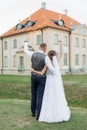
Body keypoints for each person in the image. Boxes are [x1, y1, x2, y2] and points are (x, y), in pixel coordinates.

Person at [30, 50, 71, 123]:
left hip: (49, 82)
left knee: (48, 98)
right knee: (56, 98)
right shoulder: (56, 62)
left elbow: (42, 73)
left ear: (48, 56)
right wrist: (61, 46)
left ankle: (47, 113)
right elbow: (61, 54)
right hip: (55, 83)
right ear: (54, 56)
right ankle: (58, 113)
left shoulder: (47, 63)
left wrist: (33, 70)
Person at [23, 39, 55, 120]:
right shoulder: (46, 57)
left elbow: (25, 50)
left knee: (33, 95)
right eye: (46, 49)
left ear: (39, 47)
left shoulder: (33, 54)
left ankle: (33, 112)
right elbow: (51, 69)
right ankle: (39, 115)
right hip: (42, 78)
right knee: (40, 96)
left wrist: (26, 42)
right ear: (44, 48)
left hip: (33, 76)